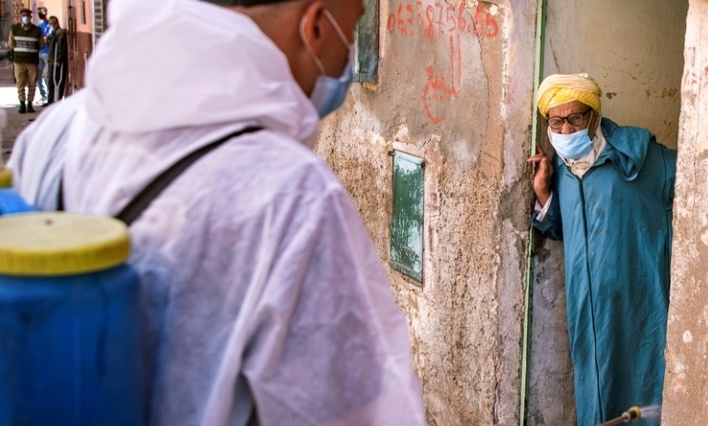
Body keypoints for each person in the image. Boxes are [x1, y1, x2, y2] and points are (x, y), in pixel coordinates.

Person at [7, 0, 426, 424]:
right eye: (351, 33)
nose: (347, 60)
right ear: (315, 26)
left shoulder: (55, 132)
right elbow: (364, 411)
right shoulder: (293, 196)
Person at [527, 73, 676, 425]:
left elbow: (696, 178)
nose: (566, 131)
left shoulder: (640, 157)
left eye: (575, 118)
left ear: (594, 117)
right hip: (589, 309)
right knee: (596, 391)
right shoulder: (562, 170)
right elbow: (566, 230)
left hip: (639, 301)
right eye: (556, 121)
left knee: (644, 386)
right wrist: (544, 194)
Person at [8, 8, 43, 113]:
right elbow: (11, 43)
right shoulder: (15, 29)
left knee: (32, 84)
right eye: (24, 15)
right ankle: (22, 104)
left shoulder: (37, 30)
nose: (26, 17)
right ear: (21, 17)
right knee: (20, 83)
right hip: (19, 61)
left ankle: (30, 104)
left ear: (30, 17)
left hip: (32, 61)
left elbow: (41, 44)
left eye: (27, 15)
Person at [45, 15, 68, 103]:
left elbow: (61, 47)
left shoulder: (60, 32)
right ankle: (50, 101)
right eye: (50, 23)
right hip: (51, 60)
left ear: (57, 22)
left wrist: (58, 60)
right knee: (50, 81)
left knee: (57, 81)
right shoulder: (53, 32)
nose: (52, 25)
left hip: (56, 62)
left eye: (53, 23)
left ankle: (56, 100)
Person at [36, 6, 50, 105]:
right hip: (40, 52)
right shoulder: (39, 24)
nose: (40, 13)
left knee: (47, 75)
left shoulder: (50, 24)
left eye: (42, 12)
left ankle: (49, 95)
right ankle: (43, 95)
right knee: (38, 75)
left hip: (47, 52)